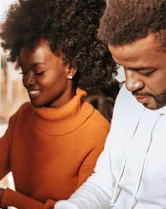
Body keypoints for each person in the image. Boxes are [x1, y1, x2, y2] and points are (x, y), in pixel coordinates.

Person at [0, 0, 116, 208]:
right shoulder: (24, 118)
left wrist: (10, 199)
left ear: (71, 67)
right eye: (24, 72)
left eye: (38, 71)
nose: (27, 80)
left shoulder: (97, 134)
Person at [55, 0, 166, 208]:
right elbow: (106, 182)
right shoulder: (127, 99)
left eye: (146, 71)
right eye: (123, 67)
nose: (131, 84)